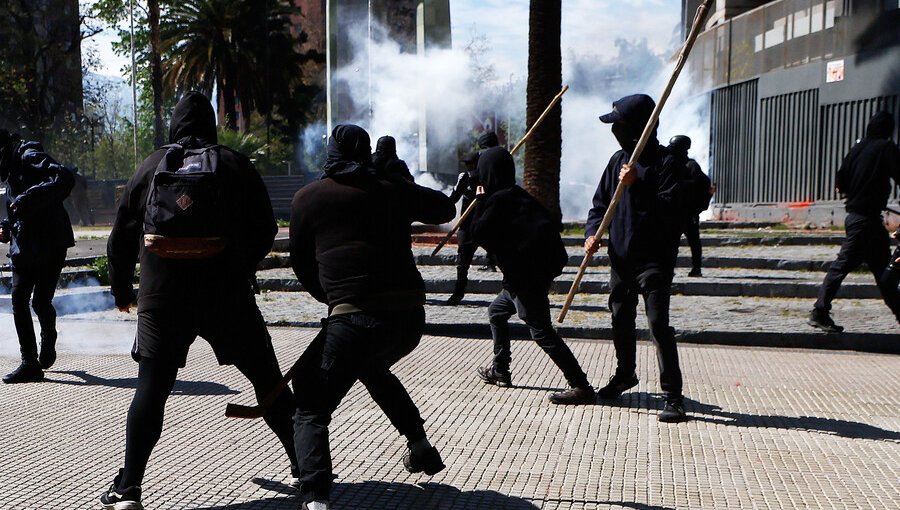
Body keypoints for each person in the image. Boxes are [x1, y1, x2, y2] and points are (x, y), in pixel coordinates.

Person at [100, 92, 299, 509]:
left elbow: (120, 238)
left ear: (173, 124)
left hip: (162, 297)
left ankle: (129, 489)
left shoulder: (151, 166)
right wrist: (236, 263)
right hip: (225, 295)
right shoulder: (233, 164)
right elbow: (265, 229)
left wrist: (122, 289)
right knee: (268, 380)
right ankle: (308, 469)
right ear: (210, 124)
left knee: (151, 390)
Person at [289, 124, 458, 510]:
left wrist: (331, 298)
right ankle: (421, 447)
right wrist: (395, 175)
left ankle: (315, 497)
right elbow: (445, 209)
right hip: (408, 319)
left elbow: (302, 263)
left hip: (355, 318)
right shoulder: (390, 189)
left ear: (331, 152)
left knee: (310, 404)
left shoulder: (308, 198)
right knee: (371, 368)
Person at [584, 94, 688, 423]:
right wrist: (592, 233)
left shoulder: (667, 162)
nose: (615, 132)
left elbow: (672, 210)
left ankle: (673, 396)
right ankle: (625, 374)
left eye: (620, 125)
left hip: (654, 260)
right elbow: (600, 205)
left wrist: (639, 182)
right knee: (620, 318)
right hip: (621, 258)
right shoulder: (617, 161)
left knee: (657, 324)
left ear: (638, 126)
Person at [470, 143, 595, 405]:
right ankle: (501, 370)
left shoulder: (498, 200)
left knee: (541, 332)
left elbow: (479, 233)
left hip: (525, 280)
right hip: (526, 276)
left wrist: (479, 197)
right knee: (497, 311)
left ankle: (581, 386)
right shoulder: (519, 196)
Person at [809, 111, 900, 333]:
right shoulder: (886, 148)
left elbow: (840, 182)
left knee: (883, 274)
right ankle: (819, 311)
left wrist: (859, 190)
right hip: (867, 221)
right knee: (848, 266)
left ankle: (820, 311)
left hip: (856, 218)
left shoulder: (856, 148)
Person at [0, 129, 74, 384]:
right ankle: (29, 363)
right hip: (24, 245)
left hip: (50, 242)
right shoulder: (11, 170)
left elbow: (64, 177)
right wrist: (7, 227)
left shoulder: (29, 155)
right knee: (19, 299)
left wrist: (30, 197)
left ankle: (48, 335)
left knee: (41, 303)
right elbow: (16, 207)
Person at [667, 135, 712, 277]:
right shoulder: (671, 164)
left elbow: (700, 185)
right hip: (674, 211)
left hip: (688, 212)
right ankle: (668, 268)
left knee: (693, 241)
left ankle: (696, 268)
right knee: (670, 242)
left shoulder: (691, 166)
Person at [445, 151, 479, 305]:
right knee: (463, 262)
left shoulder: (486, 177)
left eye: (472, 164)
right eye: (468, 165)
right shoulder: (464, 178)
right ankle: (458, 293)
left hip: (484, 222)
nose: (469, 167)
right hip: (466, 224)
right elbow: (454, 196)